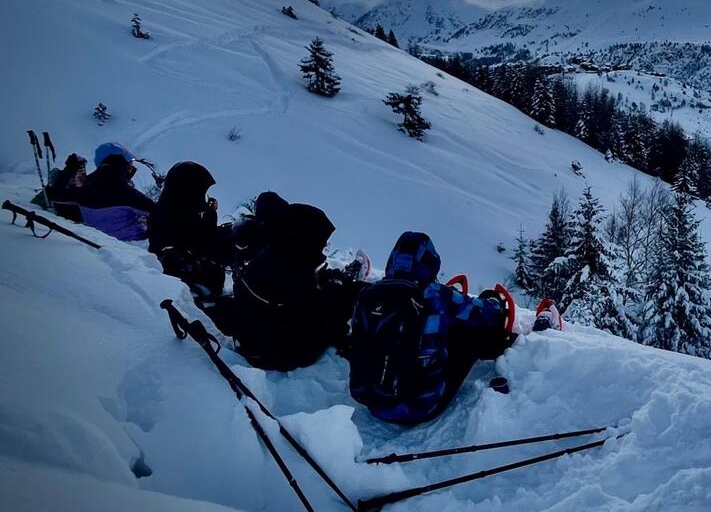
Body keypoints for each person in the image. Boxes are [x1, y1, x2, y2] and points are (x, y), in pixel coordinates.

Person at [349, 232, 515, 425]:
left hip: (373, 403)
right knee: (468, 332)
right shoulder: (436, 295)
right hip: (420, 407)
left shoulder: (367, 295)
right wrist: (493, 301)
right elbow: (483, 313)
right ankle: (498, 348)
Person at [229, 200, 352, 371]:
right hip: (273, 355)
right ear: (307, 237)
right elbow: (315, 317)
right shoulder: (292, 270)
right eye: (320, 241)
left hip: (249, 342)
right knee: (334, 305)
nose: (323, 246)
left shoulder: (273, 254)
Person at [148, 161, 231, 300]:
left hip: (184, 264)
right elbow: (203, 240)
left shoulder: (171, 205)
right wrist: (211, 213)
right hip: (189, 277)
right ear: (190, 189)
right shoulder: (178, 213)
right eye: (201, 191)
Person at [71, 144, 155, 242]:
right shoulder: (124, 191)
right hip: (133, 245)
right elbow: (158, 211)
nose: (131, 167)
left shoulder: (84, 185)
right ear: (121, 162)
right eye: (129, 163)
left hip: (97, 243)